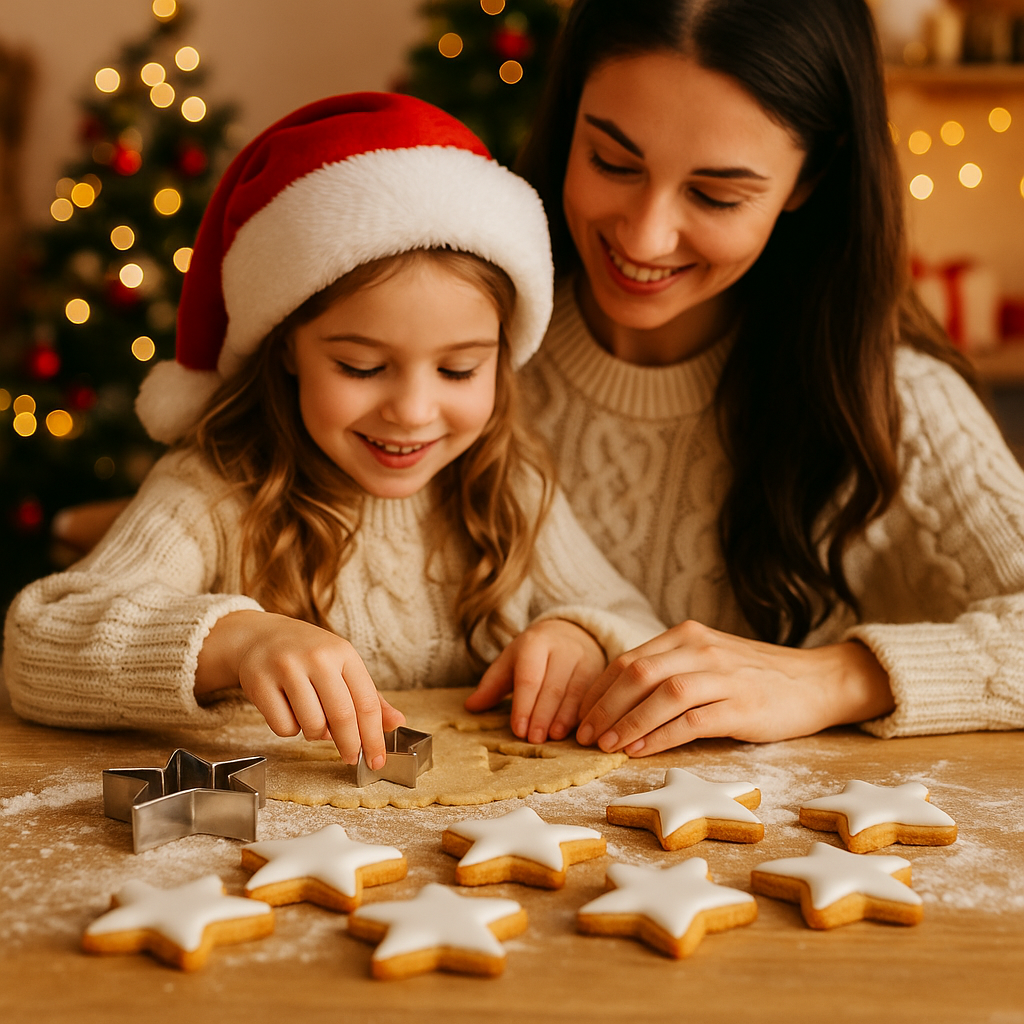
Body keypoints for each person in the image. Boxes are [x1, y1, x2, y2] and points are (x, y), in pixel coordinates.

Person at [1, 93, 665, 769]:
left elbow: (637, 623)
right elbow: (36, 646)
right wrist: (233, 642)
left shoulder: (510, 485)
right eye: (362, 365)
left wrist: (582, 636)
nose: (412, 410)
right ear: (286, 345)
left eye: (460, 370)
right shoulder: (214, 490)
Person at [466, 0, 1024, 752]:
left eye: (716, 195)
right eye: (612, 161)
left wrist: (830, 678)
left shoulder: (891, 401)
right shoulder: (456, 353)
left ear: (809, 178)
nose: (645, 235)